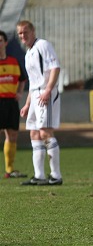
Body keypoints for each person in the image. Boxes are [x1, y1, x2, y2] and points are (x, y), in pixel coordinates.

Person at [16, 20, 63, 186]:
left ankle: (56, 176)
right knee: (34, 134)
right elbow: (32, 81)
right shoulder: (28, 52)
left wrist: (48, 89)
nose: (23, 35)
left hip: (46, 93)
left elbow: (55, 68)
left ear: (33, 31)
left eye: (25, 32)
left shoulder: (43, 45)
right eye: (20, 33)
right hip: (35, 95)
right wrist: (28, 104)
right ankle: (39, 175)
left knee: (45, 132)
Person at [0, 30, 28, 179]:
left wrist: (19, 92)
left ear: (5, 43)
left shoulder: (13, 61)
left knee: (12, 134)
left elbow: (23, 79)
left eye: (0, 41)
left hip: (11, 102)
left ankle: (9, 170)